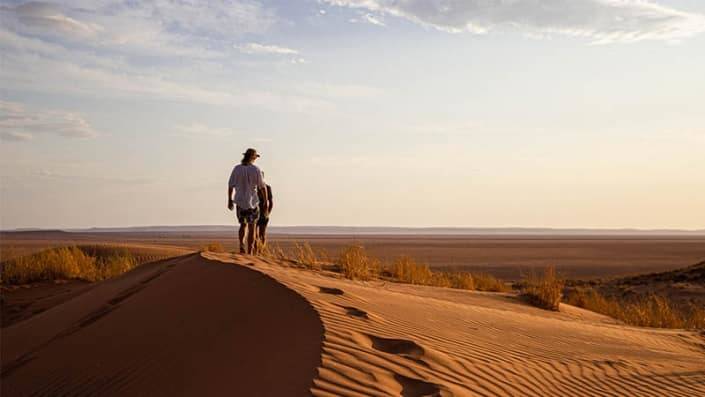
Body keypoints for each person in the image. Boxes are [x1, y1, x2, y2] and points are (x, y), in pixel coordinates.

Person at [228, 148, 268, 254]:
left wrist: (229, 200)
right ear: (253, 157)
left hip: (240, 201)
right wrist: (265, 201)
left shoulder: (237, 168)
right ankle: (249, 251)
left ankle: (242, 244)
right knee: (252, 226)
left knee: (242, 224)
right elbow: (262, 186)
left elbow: (230, 185)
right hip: (252, 203)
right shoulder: (256, 169)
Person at [256, 176, 273, 252]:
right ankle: (254, 251)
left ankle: (261, 251)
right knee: (254, 233)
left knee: (262, 234)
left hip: (263, 213)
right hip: (254, 213)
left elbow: (271, 202)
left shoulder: (267, 187)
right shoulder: (253, 187)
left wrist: (268, 213)